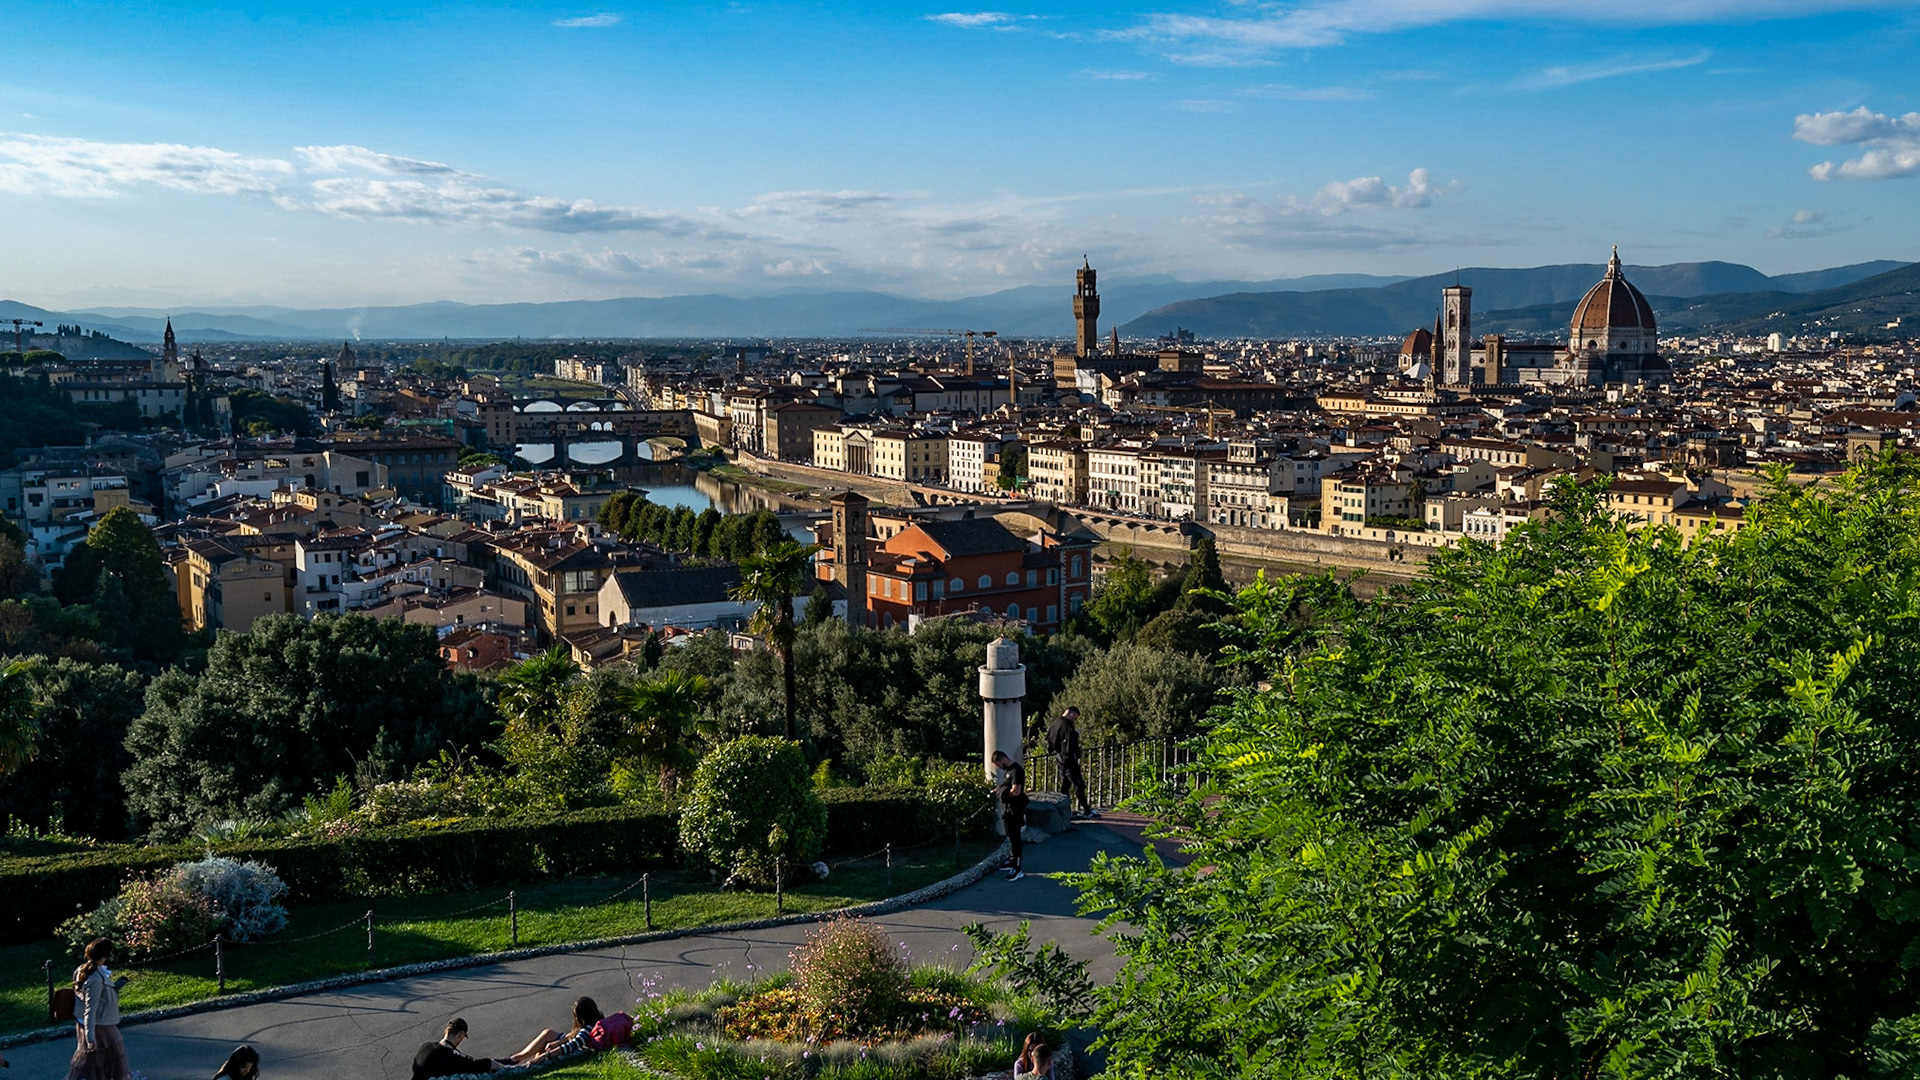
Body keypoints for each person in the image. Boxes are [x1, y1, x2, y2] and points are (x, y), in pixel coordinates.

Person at [66, 938, 129, 1080]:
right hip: (98, 1025)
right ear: (105, 955)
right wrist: (90, 1037)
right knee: (111, 1057)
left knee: (97, 1062)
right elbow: (90, 1009)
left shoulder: (83, 970)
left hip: (91, 1023)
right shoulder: (95, 978)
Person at [508, 995, 626, 1064]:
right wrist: (558, 1042)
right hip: (579, 1044)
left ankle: (520, 1062)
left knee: (543, 1050)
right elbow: (574, 1035)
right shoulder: (597, 1018)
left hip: (579, 1051)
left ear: (581, 1018)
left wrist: (544, 1056)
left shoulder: (586, 1031)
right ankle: (517, 1058)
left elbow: (571, 1046)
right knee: (548, 1034)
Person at [1047, 706, 1095, 819]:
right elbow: (1069, 744)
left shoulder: (1055, 724)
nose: (1075, 721)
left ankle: (1064, 809)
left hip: (1060, 759)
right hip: (1069, 760)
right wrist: (1076, 754)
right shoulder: (1067, 726)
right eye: (1075, 718)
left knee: (1065, 785)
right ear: (1072, 714)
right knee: (1079, 784)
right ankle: (1086, 809)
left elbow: (1050, 742)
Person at [411, 1018, 498, 1079]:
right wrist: (496, 1063)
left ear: (445, 1031)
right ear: (460, 1035)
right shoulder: (449, 1058)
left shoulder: (425, 1047)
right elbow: (475, 1065)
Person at [992, 749, 1029, 881]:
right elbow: (1006, 786)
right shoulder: (1008, 771)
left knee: (1016, 839)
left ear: (1002, 759)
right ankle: (1012, 861)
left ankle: (1018, 868)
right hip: (1007, 810)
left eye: (998, 764)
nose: (998, 768)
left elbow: (1016, 791)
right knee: (1011, 837)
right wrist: (999, 790)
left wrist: (1002, 793)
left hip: (1015, 810)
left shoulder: (1016, 770)